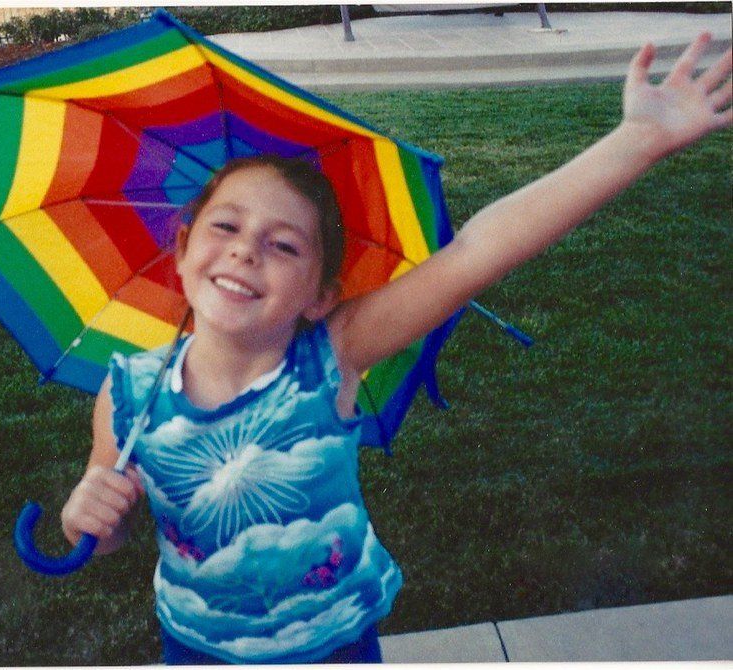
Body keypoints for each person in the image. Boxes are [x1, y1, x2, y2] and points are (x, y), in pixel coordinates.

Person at [60, 35, 731, 664]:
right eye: (226, 225)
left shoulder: (332, 353)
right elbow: (106, 530)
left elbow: (475, 253)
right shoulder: (129, 393)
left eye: (284, 244)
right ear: (182, 249)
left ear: (320, 296)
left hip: (337, 643)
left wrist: (637, 142)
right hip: (197, 647)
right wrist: (88, 517)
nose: (245, 250)